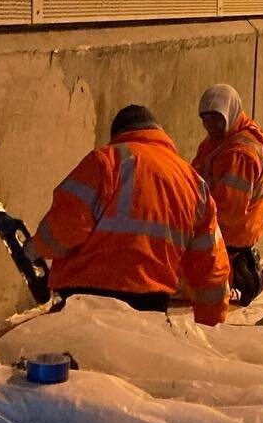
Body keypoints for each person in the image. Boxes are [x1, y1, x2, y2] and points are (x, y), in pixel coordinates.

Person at [27, 104, 229, 323]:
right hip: (150, 306)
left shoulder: (105, 162)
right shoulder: (193, 183)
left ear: (118, 135)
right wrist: (210, 325)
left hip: (86, 301)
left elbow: (65, 229)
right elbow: (211, 265)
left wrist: (34, 249)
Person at [192, 84, 263, 307]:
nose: (209, 125)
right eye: (205, 119)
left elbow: (229, 210)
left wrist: (189, 223)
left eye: (215, 119)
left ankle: (231, 276)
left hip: (227, 231)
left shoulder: (240, 153)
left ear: (229, 114)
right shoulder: (220, 140)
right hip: (221, 224)